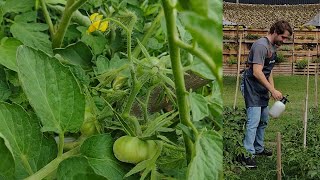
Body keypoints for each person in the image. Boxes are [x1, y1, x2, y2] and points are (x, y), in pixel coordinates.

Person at [240, 20, 292, 168]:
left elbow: (268, 71)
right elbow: (257, 72)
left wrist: (272, 89)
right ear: (275, 32)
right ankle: (247, 154)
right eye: (283, 37)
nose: (284, 41)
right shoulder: (261, 46)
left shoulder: (273, 47)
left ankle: (258, 148)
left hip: (262, 86)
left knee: (263, 120)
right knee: (253, 121)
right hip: (252, 86)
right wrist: (272, 90)